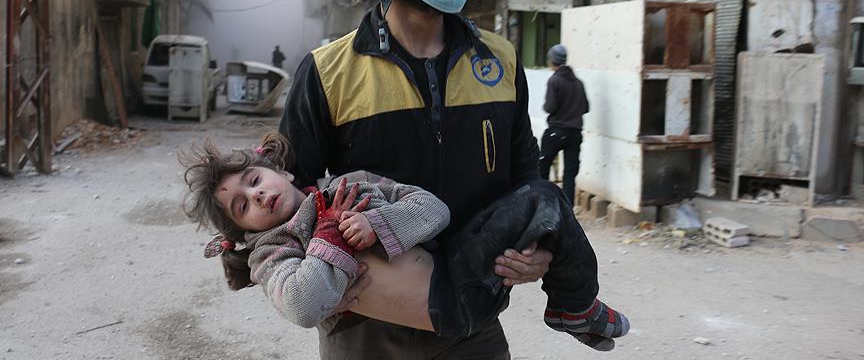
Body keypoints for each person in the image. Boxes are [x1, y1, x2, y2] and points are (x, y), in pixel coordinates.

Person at [281, 0, 560, 357]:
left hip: (473, 320)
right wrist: (301, 283)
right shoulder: (327, 72)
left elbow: (527, 176)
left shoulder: (499, 60)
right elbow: (287, 196)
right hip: (365, 323)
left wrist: (541, 246)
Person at [181, 133, 629, 350]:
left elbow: (434, 210)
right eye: (242, 206)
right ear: (244, 232)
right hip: (440, 312)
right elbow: (301, 304)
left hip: (465, 275)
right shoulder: (271, 251)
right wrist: (331, 236)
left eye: (254, 180)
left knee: (545, 197)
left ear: (280, 170)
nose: (257, 195)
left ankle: (573, 305)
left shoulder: (348, 185)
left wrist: (377, 225)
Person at [538, 44, 590, 207]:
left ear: (552, 61)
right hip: (575, 134)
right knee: (569, 174)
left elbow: (550, 107)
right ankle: (568, 209)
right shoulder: (578, 83)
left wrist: (546, 106)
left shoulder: (554, 80)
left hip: (556, 132)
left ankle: (544, 204)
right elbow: (586, 107)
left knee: (541, 168)